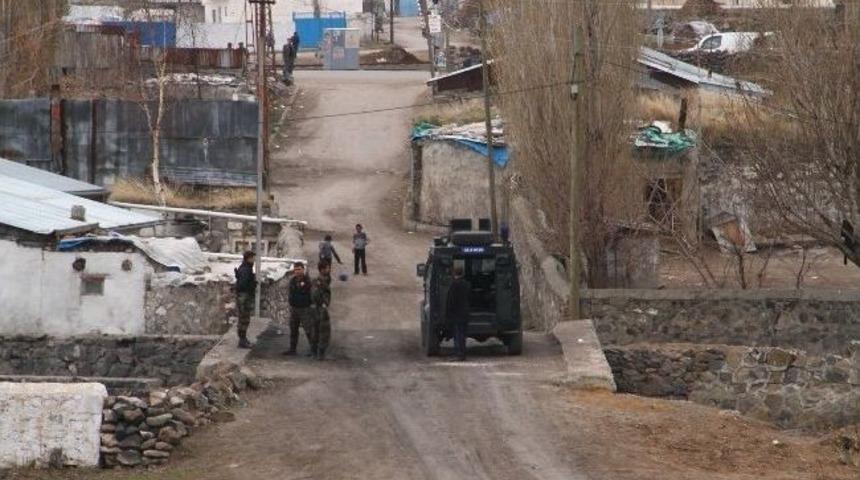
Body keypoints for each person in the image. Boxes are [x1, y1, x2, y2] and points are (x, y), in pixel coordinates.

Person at [284, 262, 317, 357]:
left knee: (309, 330)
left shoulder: (308, 281)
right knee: (293, 329)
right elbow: (290, 292)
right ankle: (292, 349)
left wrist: (312, 305)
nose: (297, 271)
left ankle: (313, 350)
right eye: (295, 269)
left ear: (303, 269)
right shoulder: (293, 280)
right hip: (294, 308)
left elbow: (313, 294)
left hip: (305, 308)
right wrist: (290, 302)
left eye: (299, 269)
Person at [446, 265, 472, 361]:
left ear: (454, 273)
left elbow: (451, 300)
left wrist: (448, 312)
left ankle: (458, 354)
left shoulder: (454, 284)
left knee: (457, 334)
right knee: (463, 334)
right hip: (465, 313)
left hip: (456, 313)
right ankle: (462, 353)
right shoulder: (467, 284)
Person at [234, 251, 256, 349]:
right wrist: (252, 285)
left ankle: (243, 339)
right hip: (244, 297)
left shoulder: (246, 268)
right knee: (244, 318)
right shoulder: (246, 269)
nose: (254, 260)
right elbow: (242, 285)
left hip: (244, 296)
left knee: (244, 318)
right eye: (252, 258)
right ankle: (242, 340)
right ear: (248, 258)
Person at [312, 261, 333, 360]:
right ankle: (320, 353)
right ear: (322, 269)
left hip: (319, 308)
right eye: (327, 268)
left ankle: (317, 352)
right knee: (323, 331)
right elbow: (315, 294)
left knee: (318, 330)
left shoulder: (325, 279)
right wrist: (323, 304)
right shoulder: (319, 281)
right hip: (320, 309)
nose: (329, 270)